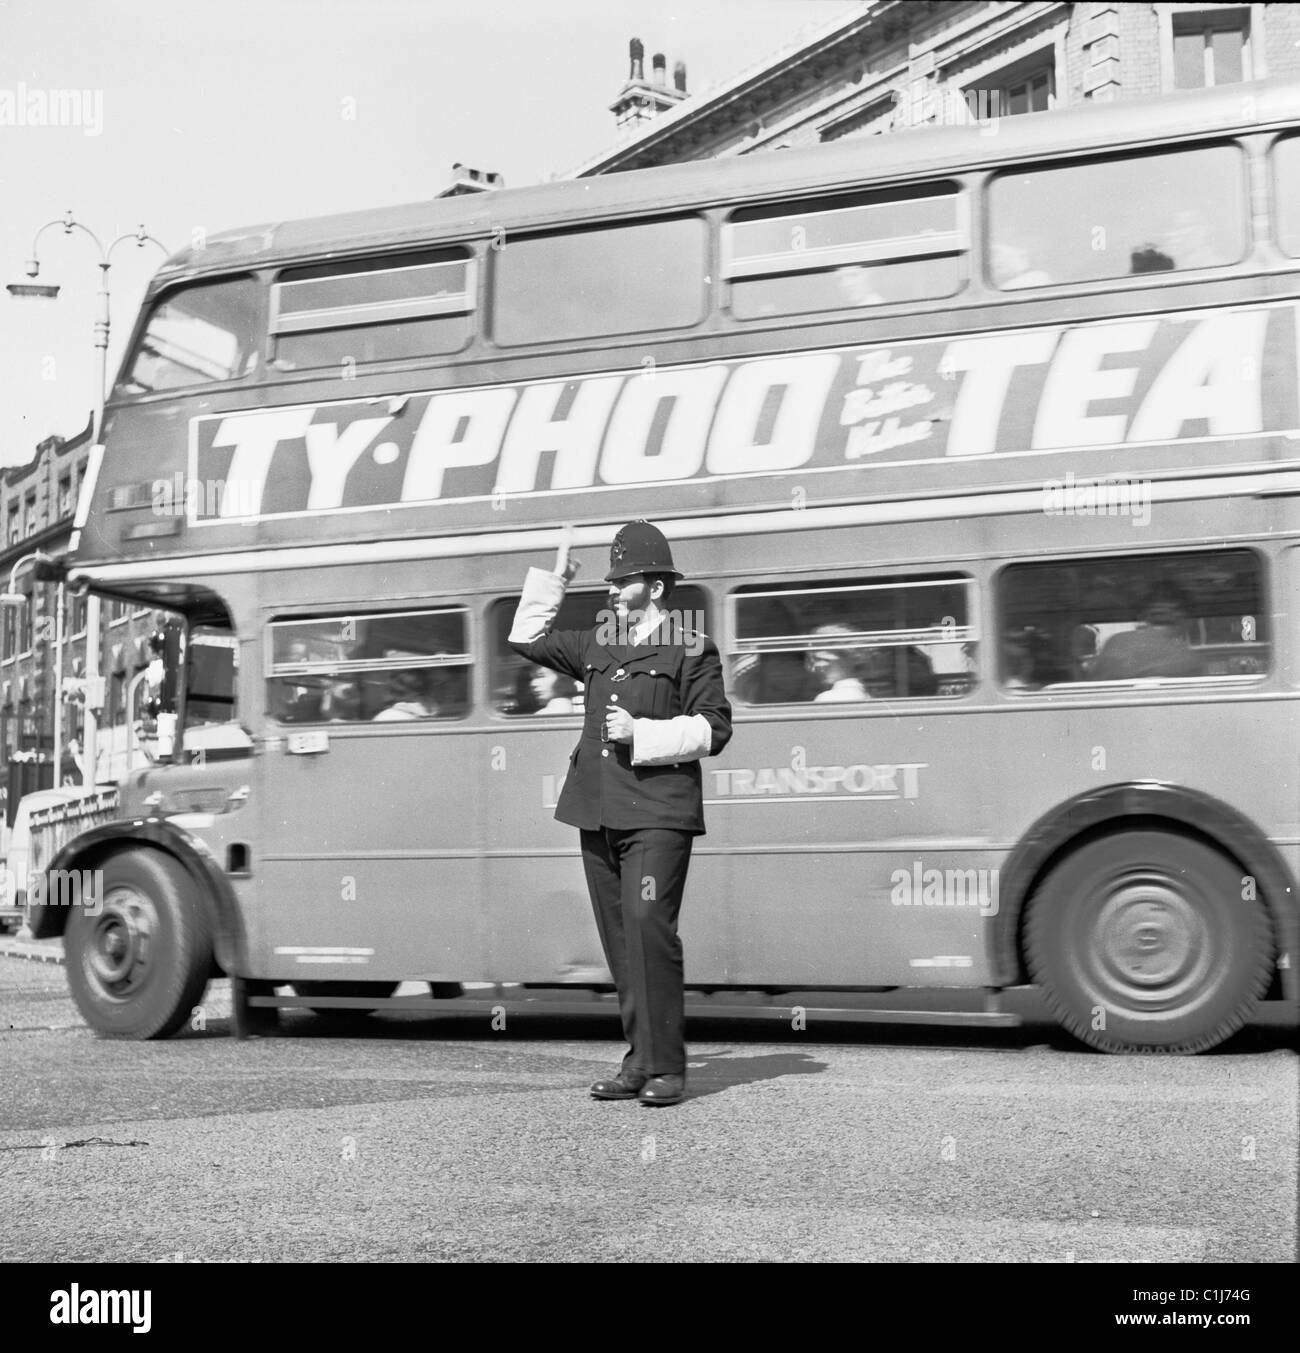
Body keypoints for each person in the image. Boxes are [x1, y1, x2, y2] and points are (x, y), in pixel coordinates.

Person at [509, 520, 732, 1107]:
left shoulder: (691, 646)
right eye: (609, 580)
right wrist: (552, 582)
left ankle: (668, 1069)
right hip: (598, 809)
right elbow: (527, 640)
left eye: (622, 579)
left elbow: (715, 727)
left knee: (648, 929)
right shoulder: (597, 641)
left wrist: (643, 733)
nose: (611, 589)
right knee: (619, 939)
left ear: (654, 588)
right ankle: (640, 1060)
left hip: (658, 814)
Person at [1090, 582, 1206, 681]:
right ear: (1185, 618)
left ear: (1144, 616)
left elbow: (1093, 689)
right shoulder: (1189, 660)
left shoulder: (1115, 643)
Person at [807, 624, 871, 702]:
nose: (813, 668)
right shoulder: (864, 694)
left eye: (820, 659)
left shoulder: (831, 698)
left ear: (847, 659)